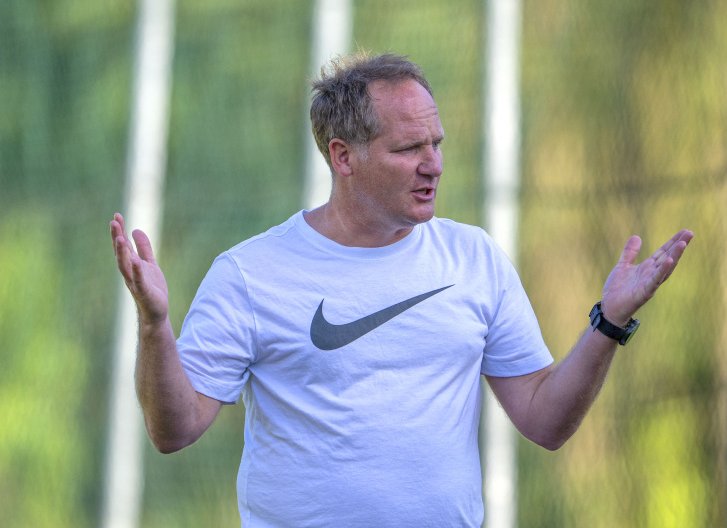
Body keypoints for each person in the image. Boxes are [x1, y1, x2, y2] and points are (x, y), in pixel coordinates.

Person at [110, 52, 693, 527]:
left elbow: (545, 420)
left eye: (436, 143)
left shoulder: (475, 258)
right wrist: (155, 326)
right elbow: (173, 430)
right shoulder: (250, 273)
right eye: (410, 149)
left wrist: (609, 322)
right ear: (344, 157)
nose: (433, 164)